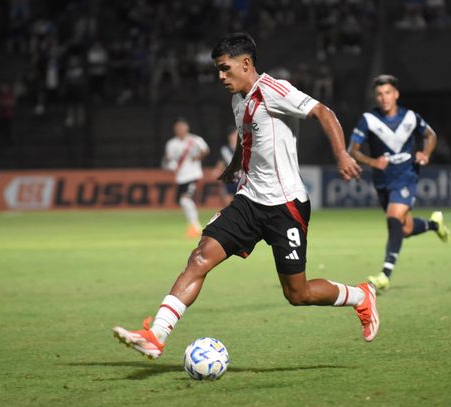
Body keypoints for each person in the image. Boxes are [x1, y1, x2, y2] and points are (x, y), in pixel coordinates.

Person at [113, 32, 379, 360]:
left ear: (246, 63)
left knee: (298, 293)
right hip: (249, 201)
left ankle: (360, 296)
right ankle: (157, 334)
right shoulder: (238, 99)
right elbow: (246, 135)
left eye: (224, 69)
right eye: (217, 70)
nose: (220, 76)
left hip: (287, 207)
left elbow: (323, 112)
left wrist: (341, 154)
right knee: (200, 257)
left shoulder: (273, 90)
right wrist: (233, 166)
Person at [348, 74, 450, 291]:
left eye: (387, 93)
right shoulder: (369, 120)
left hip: (407, 176)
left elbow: (430, 135)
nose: (384, 98)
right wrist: (372, 161)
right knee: (404, 229)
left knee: (393, 218)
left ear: (396, 94)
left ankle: (385, 274)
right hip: (383, 181)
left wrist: (426, 153)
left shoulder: (411, 117)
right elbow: (353, 151)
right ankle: (434, 224)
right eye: (379, 94)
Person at [162, 117, 210, 238]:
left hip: (194, 175)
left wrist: (198, 157)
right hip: (181, 177)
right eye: (178, 127)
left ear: (187, 128)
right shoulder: (171, 143)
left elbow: (206, 150)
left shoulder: (195, 140)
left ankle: (195, 226)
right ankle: (194, 224)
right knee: (182, 201)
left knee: (185, 199)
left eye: (182, 127)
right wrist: (171, 165)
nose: (180, 129)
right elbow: (168, 158)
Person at [216, 125, 240, 206]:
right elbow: (220, 165)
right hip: (230, 180)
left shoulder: (244, 148)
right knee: (228, 204)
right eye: (233, 135)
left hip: (242, 180)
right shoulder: (224, 150)